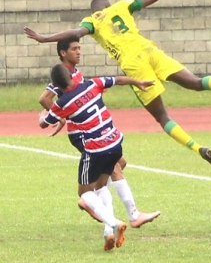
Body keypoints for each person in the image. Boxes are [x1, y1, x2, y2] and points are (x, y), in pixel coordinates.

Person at [25, 0, 211, 169]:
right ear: (108, 5)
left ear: (94, 10)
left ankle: (198, 148)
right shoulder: (122, 6)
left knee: (162, 117)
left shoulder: (92, 20)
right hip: (148, 49)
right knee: (195, 82)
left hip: (133, 62)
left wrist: (45, 38)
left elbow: (75, 32)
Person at [39, 36, 161, 229]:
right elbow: (44, 99)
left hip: (95, 134)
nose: (79, 52)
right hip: (85, 135)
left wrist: (59, 114)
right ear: (63, 53)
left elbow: (46, 119)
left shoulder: (77, 76)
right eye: (74, 49)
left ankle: (110, 227)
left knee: (113, 170)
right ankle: (125, 217)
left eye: (79, 48)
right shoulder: (64, 77)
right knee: (112, 169)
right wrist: (63, 117)